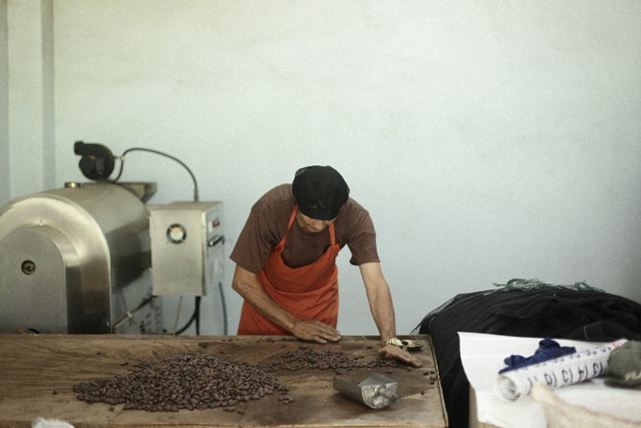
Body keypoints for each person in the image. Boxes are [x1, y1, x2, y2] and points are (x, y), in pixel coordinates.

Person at [230, 165, 421, 368]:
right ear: (298, 203)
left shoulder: (355, 217)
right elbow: (242, 281)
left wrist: (390, 340)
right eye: (311, 220)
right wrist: (294, 324)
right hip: (266, 309)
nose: (319, 227)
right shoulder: (271, 208)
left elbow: (376, 285)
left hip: (318, 310)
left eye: (328, 220)